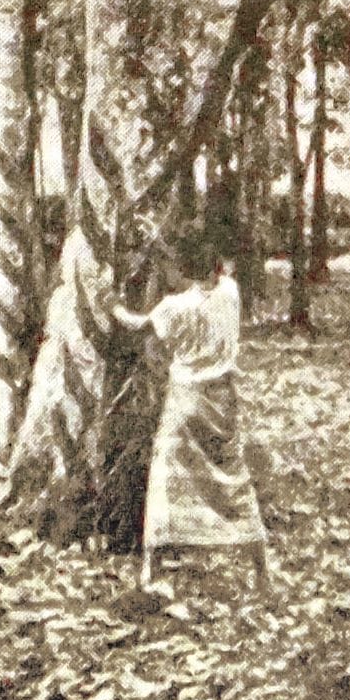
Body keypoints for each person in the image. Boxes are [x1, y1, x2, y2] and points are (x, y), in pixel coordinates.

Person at [115, 235, 270, 590]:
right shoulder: (230, 292)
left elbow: (135, 324)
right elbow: (223, 270)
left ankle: (150, 569)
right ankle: (261, 570)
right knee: (233, 477)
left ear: (179, 269)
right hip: (222, 399)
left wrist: (111, 303)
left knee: (166, 478)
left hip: (186, 401)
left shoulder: (173, 307)